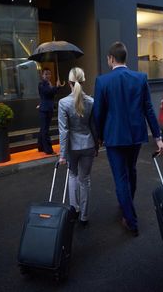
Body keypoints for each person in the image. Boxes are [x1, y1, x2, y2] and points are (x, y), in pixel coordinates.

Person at [93, 41, 163, 237]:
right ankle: (127, 206)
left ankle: (131, 221)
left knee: (121, 177)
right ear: (125, 58)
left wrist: (98, 137)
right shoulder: (140, 78)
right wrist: (158, 137)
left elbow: (98, 113)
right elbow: (149, 109)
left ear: (111, 59)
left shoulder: (102, 81)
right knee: (131, 171)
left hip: (114, 137)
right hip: (135, 136)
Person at [58, 67, 98, 226]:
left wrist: (62, 154)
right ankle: (85, 217)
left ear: (69, 83)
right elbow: (94, 126)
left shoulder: (63, 103)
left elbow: (64, 130)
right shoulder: (91, 101)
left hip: (72, 147)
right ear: (83, 81)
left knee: (73, 176)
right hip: (88, 143)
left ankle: (74, 210)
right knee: (85, 179)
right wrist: (96, 145)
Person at [37, 68, 61, 154]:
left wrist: (56, 87)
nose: (48, 76)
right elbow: (47, 92)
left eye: (49, 74)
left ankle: (40, 147)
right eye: (46, 74)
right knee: (45, 130)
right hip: (44, 109)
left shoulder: (48, 83)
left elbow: (51, 93)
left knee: (43, 129)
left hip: (48, 109)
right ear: (42, 75)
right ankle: (48, 150)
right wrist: (57, 87)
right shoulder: (41, 84)